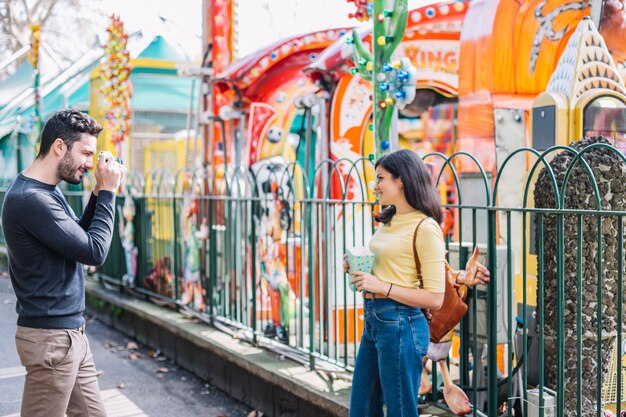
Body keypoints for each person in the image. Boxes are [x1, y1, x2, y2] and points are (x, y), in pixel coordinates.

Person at [1, 109, 125, 417]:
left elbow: (76, 240)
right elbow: (95, 251)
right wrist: (108, 193)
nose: (89, 162)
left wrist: (96, 192)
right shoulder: (31, 200)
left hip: (70, 336)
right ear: (59, 147)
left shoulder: (45, 193)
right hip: (52, 341)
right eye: (85, 152)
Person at [346, 148, 446, 417]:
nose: (375, 186)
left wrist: (381, 286)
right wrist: (359, 268)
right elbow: (392, 266)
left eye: (380, 178)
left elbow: (436, 298)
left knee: (400, 410)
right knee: (362, 409)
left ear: (401, 180)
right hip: (375, 321)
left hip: (401, 324)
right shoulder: (390, 219)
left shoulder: (425, 227)